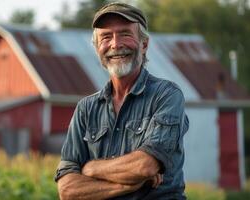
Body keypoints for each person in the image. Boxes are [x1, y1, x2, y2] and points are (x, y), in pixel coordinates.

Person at [55, 2, 189, 200]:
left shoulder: (166, 95)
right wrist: (126, 186)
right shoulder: (86, 109)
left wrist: (91, 168)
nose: (115, 44)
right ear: (97, 48)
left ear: (144, 44)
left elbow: (145, 165)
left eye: (125, 34)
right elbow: (67, 190)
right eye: (106, 37)